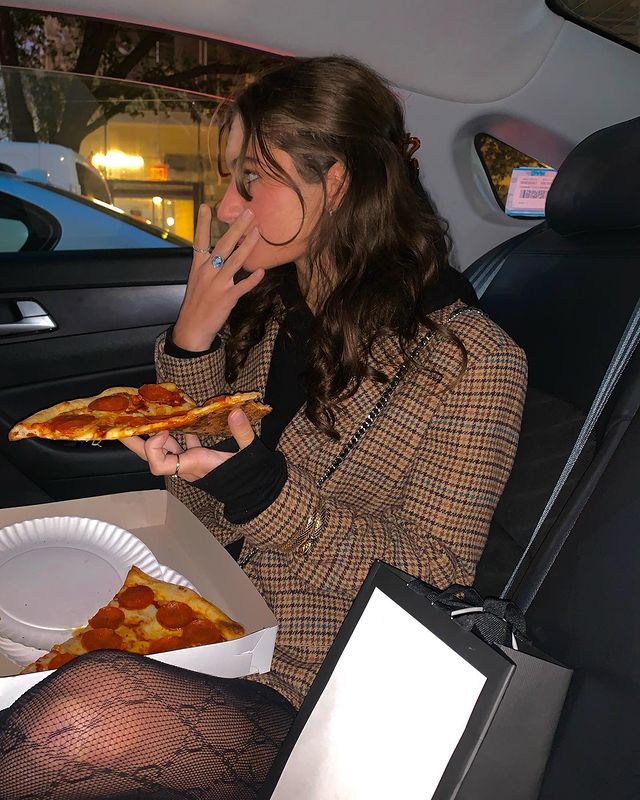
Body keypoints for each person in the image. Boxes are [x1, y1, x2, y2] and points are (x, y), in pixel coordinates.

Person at [0, 56, 527, 799]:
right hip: (198, 615)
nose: (225, 204)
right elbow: (198, 513)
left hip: (310, 686)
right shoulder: (274, 310)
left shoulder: (471, 361)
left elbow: (433, 585)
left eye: (251, 178)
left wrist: (265, 489)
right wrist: (193, 340)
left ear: (336, 183)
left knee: (82, 718)